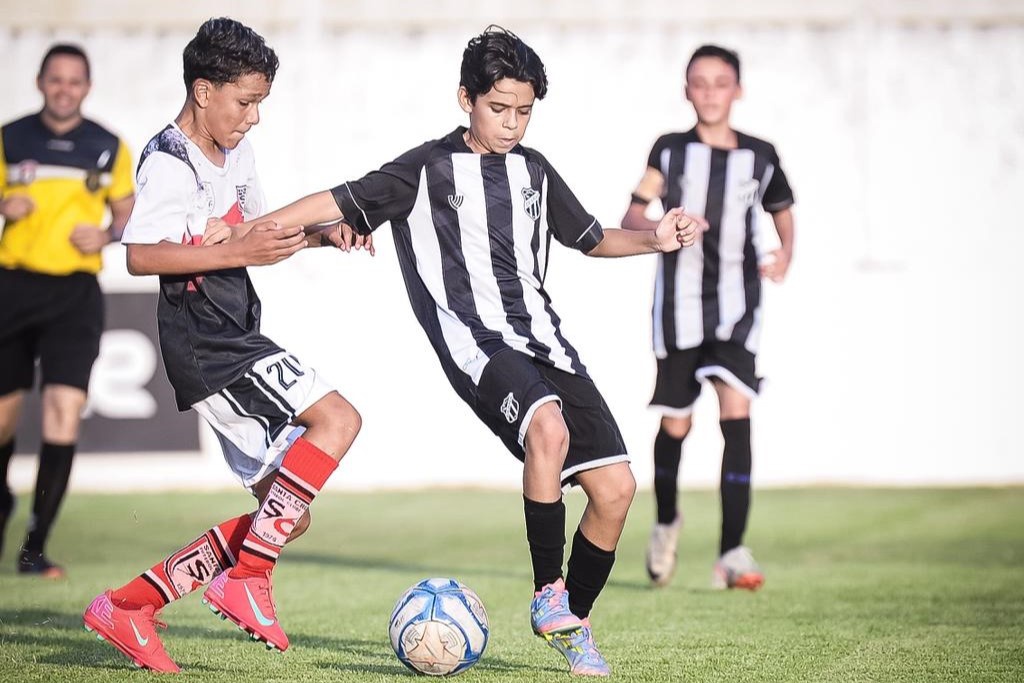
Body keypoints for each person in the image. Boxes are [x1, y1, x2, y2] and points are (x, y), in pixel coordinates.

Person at [216, 26, 701, 677]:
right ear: (465, 97)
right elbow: (333, 199)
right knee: (547, 428)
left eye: (523, 111)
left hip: (547, 344)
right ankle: (545, 590)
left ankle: (570, 619)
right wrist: (248, 230)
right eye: (498, 107)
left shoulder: (534, 170)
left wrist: (656, 240)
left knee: (616, 489)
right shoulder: (424, 169)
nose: (510, 123)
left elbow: (589, 237)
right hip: (476, 345)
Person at [82, 18, 364, 673]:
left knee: (286, 517)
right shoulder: (168, 158)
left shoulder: (234, 151)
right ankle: (246, 579)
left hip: (232, 334)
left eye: (261, 101)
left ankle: (128, 605)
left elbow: (255, 231)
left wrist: (324, 234)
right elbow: (141, 256)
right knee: (339, 418)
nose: (254, 117)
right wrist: (234, 248)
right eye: (246, 101)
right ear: (203, 91)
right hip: (206, 340)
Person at [621, 44, 796, 591]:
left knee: (736, 413)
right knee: (676, 422)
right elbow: (632, 212)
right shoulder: (669, 151)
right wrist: (659, 225)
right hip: (678, 308)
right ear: (686, 89)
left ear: (737, 90)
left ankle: (732, 552)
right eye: (700, 82)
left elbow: (783, 213)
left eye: (721, 82)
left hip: (737, 306)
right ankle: (666, 521)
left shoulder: (761, 156)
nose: (711, 92)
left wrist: (785, 253)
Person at [0, 44, 135, 579]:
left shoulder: (107, 147)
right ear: (39, 82)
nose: (64, 89)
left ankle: (34, 548)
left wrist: (105, 233)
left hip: (75, 295)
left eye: (74, 81)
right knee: (4, 420)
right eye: (55, 79)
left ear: (87, 86)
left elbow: (127, 216)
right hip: (12, 287)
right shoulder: (10, 138)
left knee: (62, 412)